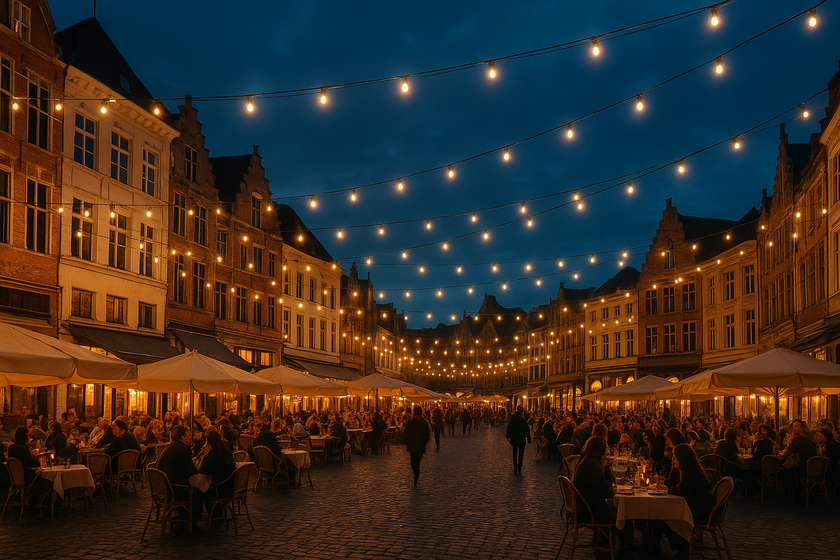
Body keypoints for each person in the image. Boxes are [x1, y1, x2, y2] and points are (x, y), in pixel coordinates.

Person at [155, 426, 202, 529]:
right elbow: (191, 471)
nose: (190, 437)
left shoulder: (170, 447)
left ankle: (181, 517)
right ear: (181, 438)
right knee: (198, 491)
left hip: (162, 485)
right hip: (173, 486)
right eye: (188, 436)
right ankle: (193, 521)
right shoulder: (183, 449)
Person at [572, 437, 613, 526]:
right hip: (589, 511)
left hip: (584, 505)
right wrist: (604, 469)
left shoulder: (586, 462)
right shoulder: (592, 467)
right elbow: (607, 491)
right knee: (624, 515)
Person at [779, 419, 818, 490]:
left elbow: (787, 453)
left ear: (802, 428)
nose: (796, 428)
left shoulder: (796, 441)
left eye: (797, 426)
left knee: (782, 472)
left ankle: (788, 493)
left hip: (802, 469)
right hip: (813, 469)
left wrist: (780, 456)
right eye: (795, 426)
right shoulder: (809, 439)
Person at [403, 405, 431, 488]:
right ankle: (416, 475)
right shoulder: (423, 423)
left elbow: (406, 434)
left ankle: (416, 475)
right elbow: (427, 435)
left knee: (413, 462)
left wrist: (407, 443)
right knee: (417, 462)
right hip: (419, 446)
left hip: (413, 445)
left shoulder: (411, 423)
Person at [505, 405, 531, 474]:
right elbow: (527, 429)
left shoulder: (512, 418)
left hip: (514, 438)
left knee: (514, 452)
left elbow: (509, 427)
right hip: (521, 438)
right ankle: (520, 466)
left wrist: (508, 435)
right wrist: (529, 439)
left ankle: (515, 466)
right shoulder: (522, 419)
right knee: (521, 453)